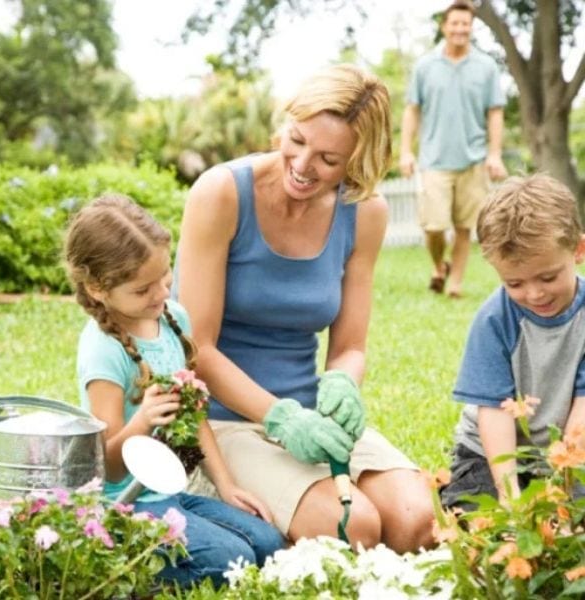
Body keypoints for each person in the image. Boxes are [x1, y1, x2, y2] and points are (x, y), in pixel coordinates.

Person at [172, 63, 436, 553]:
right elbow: (196, 349)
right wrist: (281, 418)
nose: (302, 164)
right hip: (223, 421)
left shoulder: (365, 212)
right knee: (355, 528)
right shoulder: (222, 192)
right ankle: (219, 496)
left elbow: (350, 346)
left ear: (357, 160)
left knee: (414, 521)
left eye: (328, 159)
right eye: (296, 140)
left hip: (312, 418)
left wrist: (342, 383)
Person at [64, 194, 284, 589]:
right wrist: (144, 420)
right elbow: (106, 467)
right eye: (143, 289)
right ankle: (120, 570)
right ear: (97, 288)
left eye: (165, 276)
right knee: (229, 561)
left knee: (267, 543)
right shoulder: (104, 349)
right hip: (124, 505)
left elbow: (194, 415)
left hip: (170, 493)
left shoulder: (172, 319)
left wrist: (227, 486)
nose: (162, 293)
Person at [440, 173, 585, 510]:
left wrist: (564, 485)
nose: (534, 294)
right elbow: (495, 412)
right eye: (515, 283)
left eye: (547, 277)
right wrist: (509, 496)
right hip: (490, 453)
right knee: (477, 515)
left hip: (570, 451)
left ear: (578, 250)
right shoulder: (494, 320)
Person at [400, 0, 508, 298]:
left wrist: (494, 154)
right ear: (444, 26)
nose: (460, 29)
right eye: (455, 23)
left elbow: (495, 112)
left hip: (473, 159)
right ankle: (439, 266)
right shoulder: (425, 66)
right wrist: (406, 151)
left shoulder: (486, 67)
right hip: (434, 160)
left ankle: (455, 284)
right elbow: (412, 109)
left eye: (466, 24)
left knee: (464, 226)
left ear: (472, 28)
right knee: (434, 227)